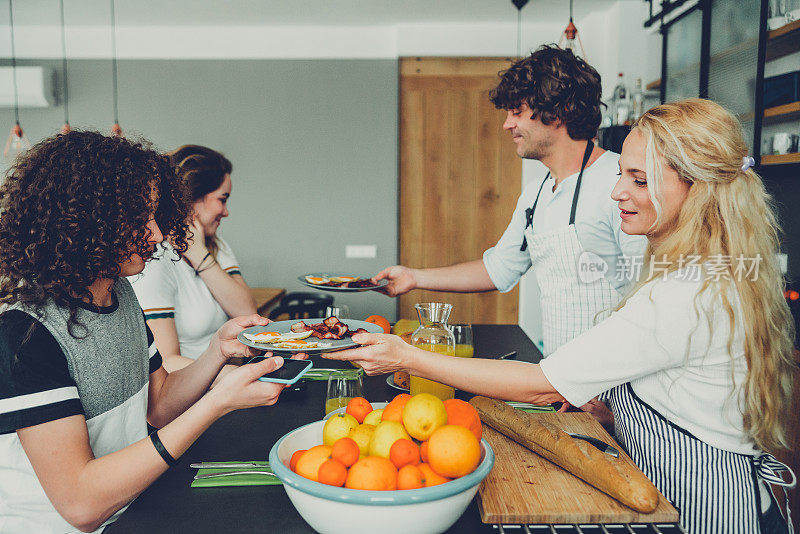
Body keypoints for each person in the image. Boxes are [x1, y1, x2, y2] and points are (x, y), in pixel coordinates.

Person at [328, 99, 796, 533]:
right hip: (630, 436)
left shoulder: (685, 292)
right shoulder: (709, 270)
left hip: (706, 506)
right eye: (622, 175)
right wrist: (621, 412)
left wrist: (406, 356)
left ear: (696, 188)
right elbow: (686, 390)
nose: (618, 192)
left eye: (639, 179)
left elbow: (544, 382)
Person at [0, 131, 301, 533]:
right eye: (140, 218)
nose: (158, 234)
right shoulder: (26, 333)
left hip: (130, 508)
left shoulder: (118, 291)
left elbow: (157, 403)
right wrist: (216, 404)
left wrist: (217, 353)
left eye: (157, 216)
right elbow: (81, 504)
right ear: (90, 221)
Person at [374, 45, 646, 359]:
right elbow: (500, 268)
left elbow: (644, 298)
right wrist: (414, 277)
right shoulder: (536, 193)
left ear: (558, 111)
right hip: (561, 381)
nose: (506, 124)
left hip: (610, 386)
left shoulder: (621, 183)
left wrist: (599, 380)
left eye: (516, 112)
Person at [130, 144, 257, 371]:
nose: (226, 211)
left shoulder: (217, 245)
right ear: (192, 199)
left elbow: (247, 313)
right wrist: (242, 375)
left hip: (227, 382)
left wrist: (199, 255)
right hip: (195, 394)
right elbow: (167, 363)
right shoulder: (155, 260)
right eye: (222, 199)